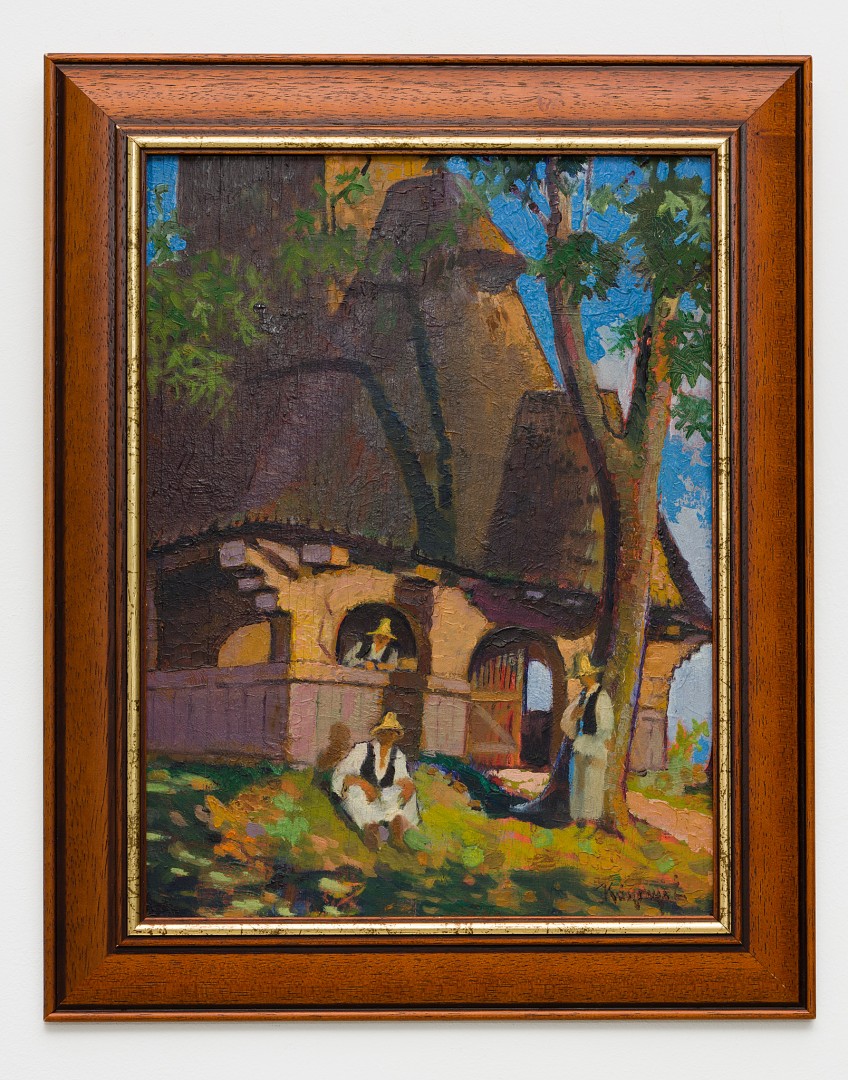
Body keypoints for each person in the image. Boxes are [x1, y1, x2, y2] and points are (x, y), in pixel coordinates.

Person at [331, 712, 420, 849]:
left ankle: (397, 828)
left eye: (392, 732)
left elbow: (402, 779)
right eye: (385, 731)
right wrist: (364, 784)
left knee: (408, 792)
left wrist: (407, 785)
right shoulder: (362, 750)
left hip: (384, 797)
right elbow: (341, 774)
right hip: (364, 797)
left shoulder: (398, 756)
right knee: (355, 792)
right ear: (378, 733)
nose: (389, 735)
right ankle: (371, 829)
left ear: (396, 736)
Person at [560, 652, 614, 823]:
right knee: (579, 783)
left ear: (589, 675)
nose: (580, 680)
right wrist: (575, 716)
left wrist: (594, 735)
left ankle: (591, 819)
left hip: (595, 746)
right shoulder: (582, 697)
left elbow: (606, 726)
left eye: (581, 676)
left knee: (593, 784)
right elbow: (566, 722)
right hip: (581, 744)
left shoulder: (601, 696)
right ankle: (579, 819)